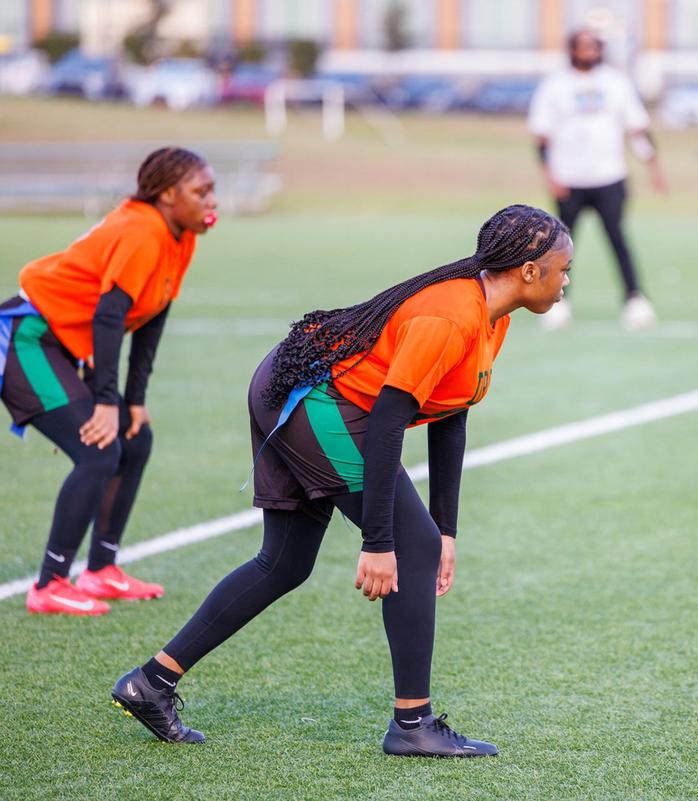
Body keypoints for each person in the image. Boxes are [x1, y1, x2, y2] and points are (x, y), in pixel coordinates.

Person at [111, 205, 572, 759]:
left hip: (306, 392)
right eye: (563, 268)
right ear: (528, 270)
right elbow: (386, 425)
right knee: (411, 544)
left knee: (286, 562)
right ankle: (412, 724)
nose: (566, 280)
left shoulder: (492, 316)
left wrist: (447, 527)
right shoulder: (450, 315)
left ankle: (151, 683)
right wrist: (379, 541)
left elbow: (451, 412)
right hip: (317, 403)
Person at [2, 147, 217, 616]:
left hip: (62, 346)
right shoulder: (141, 230)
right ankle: (50, 583)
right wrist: (103, 401)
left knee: (135, 439)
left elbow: (152, 315)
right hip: (28, 339)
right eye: (201, 191)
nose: (210, 201)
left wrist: (134, 401)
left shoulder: (179, 235)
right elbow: (110, 315)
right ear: (167, 194)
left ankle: (100, 570)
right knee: (99, 449)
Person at [528, 28, 665, 331]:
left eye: (593, 46)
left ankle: (635, 299)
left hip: (609, 177)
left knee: (617, 238)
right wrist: (550, 176)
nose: (587, 51)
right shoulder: (555, 85)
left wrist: (654, 167)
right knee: (560, 245)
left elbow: (638, 128)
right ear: (572, 49)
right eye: (582, 46)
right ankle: (557, 303)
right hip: (569, 178)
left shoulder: (616, 83)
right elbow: (542, 136)